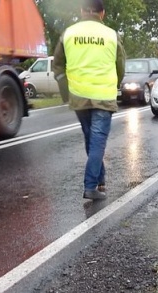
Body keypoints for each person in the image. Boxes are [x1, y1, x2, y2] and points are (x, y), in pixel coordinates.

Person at [52, 0, 125, 201]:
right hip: (103, 97)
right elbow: (120, 67)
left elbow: (57, 66)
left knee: (91, 141)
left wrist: (67, 92)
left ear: (82, 11)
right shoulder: (111, 35)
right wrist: (115, 85)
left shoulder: (69, 33)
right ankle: (90, 186)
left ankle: (100, 180)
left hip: (79, 97)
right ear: (102, 13)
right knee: (97, 143)